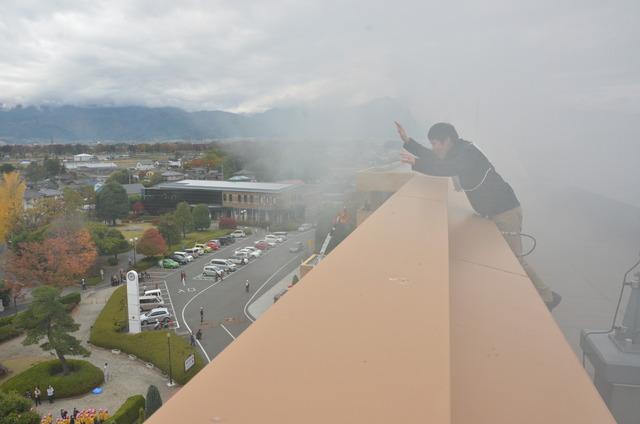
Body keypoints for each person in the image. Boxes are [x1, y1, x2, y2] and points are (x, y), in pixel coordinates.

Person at [395, 121, 562, 311]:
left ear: (447, 140)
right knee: (505, 257)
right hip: (495, 211)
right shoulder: (456, 152)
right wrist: (408, 141)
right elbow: (435, 159)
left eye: (435, 143)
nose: (434, 148)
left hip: (505, 212)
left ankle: (547, 296)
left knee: (515, 259)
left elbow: (444, 168)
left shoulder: (468, 154)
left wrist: (416, 163)